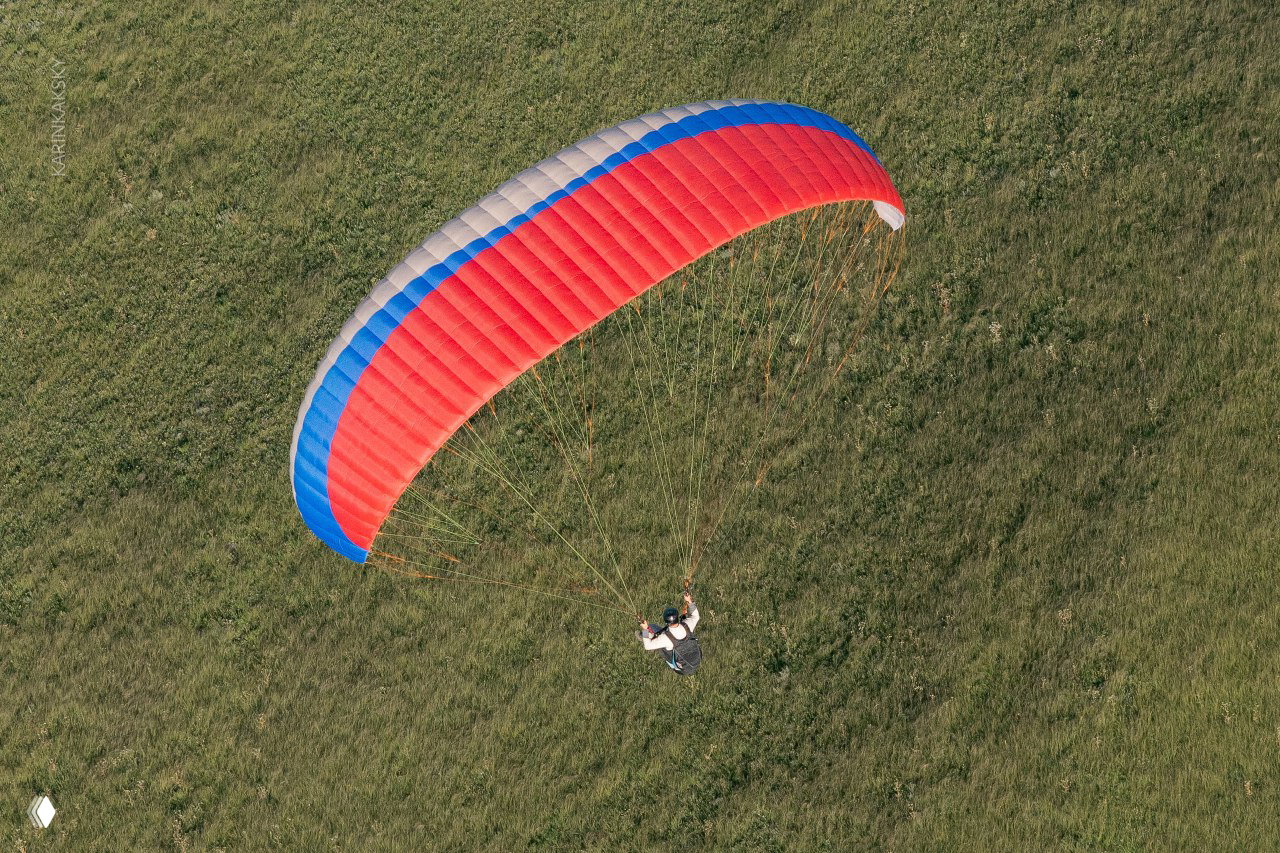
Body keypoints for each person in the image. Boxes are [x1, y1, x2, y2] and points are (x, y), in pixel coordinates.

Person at [636, 591, 702, 675]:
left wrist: (645, 629)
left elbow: (648, 646)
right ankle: (648, 637)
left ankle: (643, 636)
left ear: (666, 621)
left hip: (681, 669)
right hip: (695, 660)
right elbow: (696, 616)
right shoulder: (688, 625)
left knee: (651, 627)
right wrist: (689, 601)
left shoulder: (665, 639)